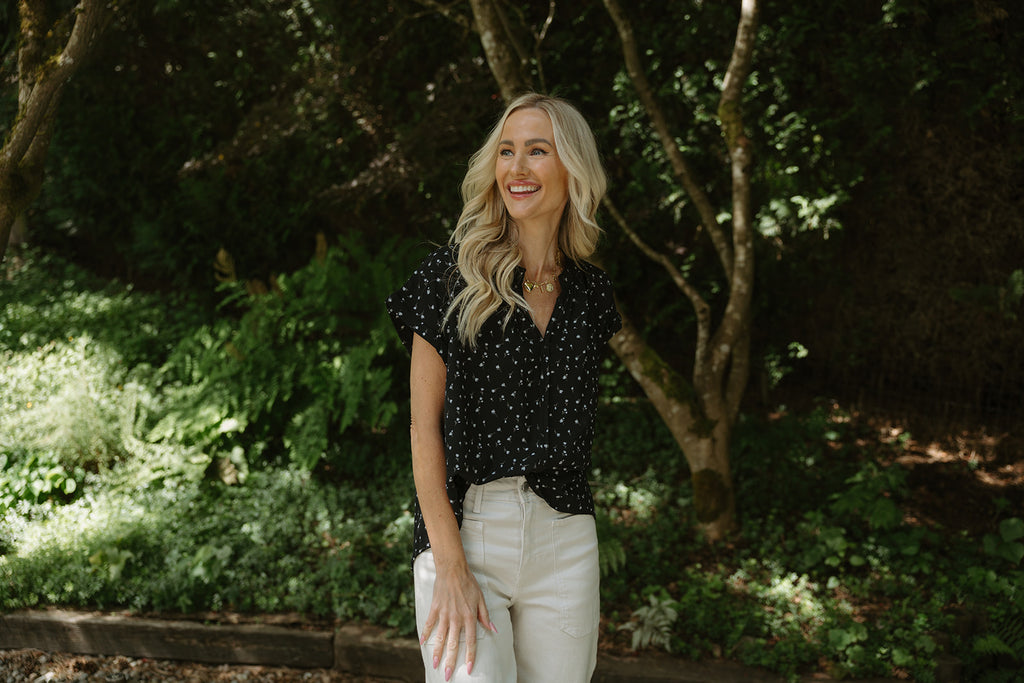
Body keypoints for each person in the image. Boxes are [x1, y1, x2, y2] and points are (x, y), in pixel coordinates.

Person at [386, 92, 621, 682]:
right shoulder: (448, 278)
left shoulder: (592, 297)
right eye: (507, 151)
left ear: (571, 167)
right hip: (469, 532)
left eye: (537, 151)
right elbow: (423, 431)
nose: (517, 168)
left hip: (565, 537)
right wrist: (450, 566)